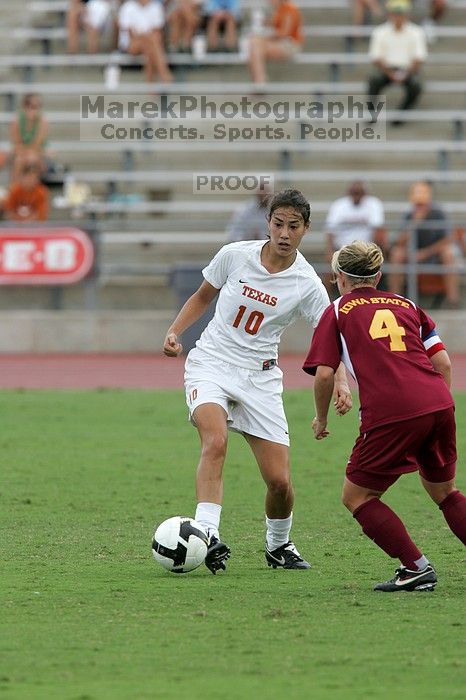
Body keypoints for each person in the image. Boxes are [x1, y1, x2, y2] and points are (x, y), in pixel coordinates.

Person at [163, 189, 352, 574]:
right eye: (278, 223)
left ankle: (278, 546)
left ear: (306, 229)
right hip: (212, 363)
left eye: (293, 226)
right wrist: (175, 331)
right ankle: (207, 535)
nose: (284, 233)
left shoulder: (307, 283)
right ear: (268, 224)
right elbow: (203, 296)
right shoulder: (235, 255)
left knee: (280, 483)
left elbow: (330, 337)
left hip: (260, 379)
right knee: (215, 441)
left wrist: (343, 382)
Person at [303, 240, 466, 592]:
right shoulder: (406, 304)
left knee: (357, 496)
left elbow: (325, 374)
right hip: (439, 403)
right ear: (377, 276)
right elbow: (443, 363)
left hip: (393, 412)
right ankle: (417, 567)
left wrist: (322, 419)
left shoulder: (337, 311)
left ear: (338, 278)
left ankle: (416, 568)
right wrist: (439, 407)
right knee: (445, 492)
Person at [388, 180, 460, 308]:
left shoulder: (438, 213)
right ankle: (395, 301)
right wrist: (415, 223)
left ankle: (453, 301)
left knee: (448, 253)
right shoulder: (409, 214)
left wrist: (425, 253)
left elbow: (447, 239)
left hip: (434, 254)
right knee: (396, 254)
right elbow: (398, 242)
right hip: (412, 254)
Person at [367, 0, 427, 125]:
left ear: (407, 14)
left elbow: (419, 58)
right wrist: (390, 73)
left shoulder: (416, 32)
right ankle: (371, 113)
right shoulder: (380, 31)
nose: (398, 16)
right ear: (389, 14)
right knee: (374, 81)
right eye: (395, 13)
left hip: (408, 69)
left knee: (416, 86)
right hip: (386, 69)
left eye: (401, 13)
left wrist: (405, 73)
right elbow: (376, 58)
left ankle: (400, 116)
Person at [248, 0, 304, 85]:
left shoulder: (290, 9)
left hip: (290, 45)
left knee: (255, 46)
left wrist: (264, 37)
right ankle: (260, 80)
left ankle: (259, 81)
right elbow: (276, 25)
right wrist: (264, 23)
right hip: (281, 43)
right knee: (255, 45)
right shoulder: (279, 9)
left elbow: (284, 33)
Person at [118, 0, 173, 83]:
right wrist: (146, 36)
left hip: (150, 45)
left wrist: (145, 36)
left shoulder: (156, 7)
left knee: (150, 49)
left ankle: (152, 88)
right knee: (152, 43)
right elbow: (131, 35)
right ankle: (164, 74)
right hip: (131, 45)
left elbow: (158, 32)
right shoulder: (127, 7)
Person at [10, 93, 49, 183]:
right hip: (21, 153)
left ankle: (32, 190)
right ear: (24, 107)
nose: (33, 110)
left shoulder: (43, 122)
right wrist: (26, 154)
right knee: (20, 161)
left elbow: (38, 144)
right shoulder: (16, 121)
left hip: (37, 153)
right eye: (30, 106)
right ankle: (16, 190)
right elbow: (17, 143)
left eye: (36, 107)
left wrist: (28, 154)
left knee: (32, 160)